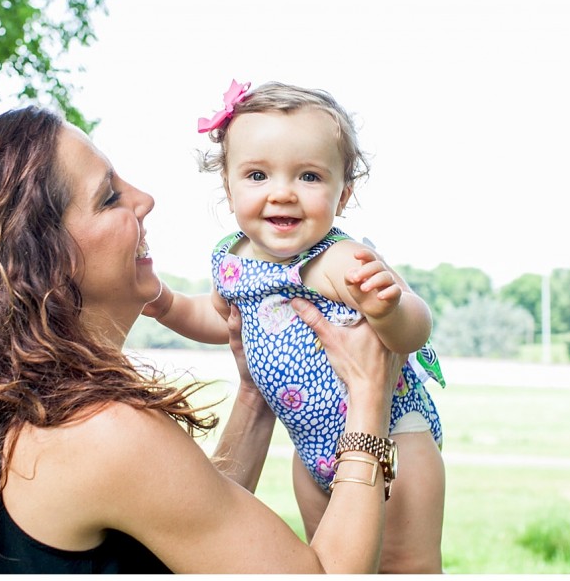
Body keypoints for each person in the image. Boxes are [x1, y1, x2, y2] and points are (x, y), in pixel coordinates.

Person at [0, 106, 410, 574]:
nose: (144, 199)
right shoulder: (100, 430)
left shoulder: (28, 403)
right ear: (42, 259)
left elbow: (182, 516)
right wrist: (368, 396)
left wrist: (252, 396)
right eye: (110, 197)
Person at [143, 80, 447, 572]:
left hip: (394, 439)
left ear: (342, 194)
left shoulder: (336, 259)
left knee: (404, 565)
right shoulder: (232, 260)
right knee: (330, 560)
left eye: (308, 177)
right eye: (258, 175)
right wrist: (168, 304)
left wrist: (391, 310)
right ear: (228, 186)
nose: (282, 194)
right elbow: (222, 321)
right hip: (312, 454)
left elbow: (415, 331)